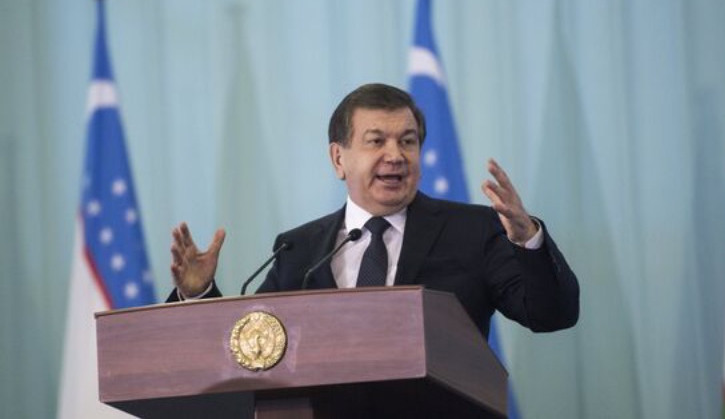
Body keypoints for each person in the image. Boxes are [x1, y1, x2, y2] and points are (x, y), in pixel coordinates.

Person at [168, 83, 579, 337]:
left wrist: (528, 241)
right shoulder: (298, 250)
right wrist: (197, 294)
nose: (395, 155)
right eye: (376, 141)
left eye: (408, 141)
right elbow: (253, 342)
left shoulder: (473, 230)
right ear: (338, 158)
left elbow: (551, 315)